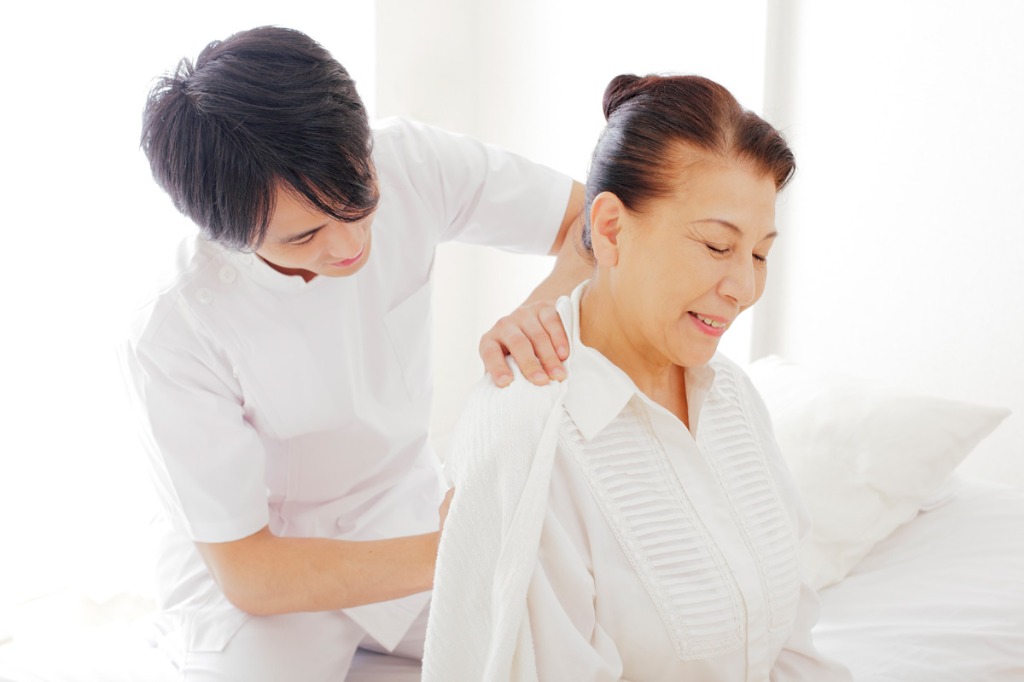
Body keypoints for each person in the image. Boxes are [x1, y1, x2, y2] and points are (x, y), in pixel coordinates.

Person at [121, 25, 589, 680]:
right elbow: (250, 571)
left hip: (402, 511)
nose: (348, 246)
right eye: (304, 236)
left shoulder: (408, 160)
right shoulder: (174, 329)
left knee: (565, 649)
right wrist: (454, 547)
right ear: (227, 234)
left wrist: (540, 308)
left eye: (359, 200)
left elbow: (591, 222)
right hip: (269, 578)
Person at [423, 74, 853, 681]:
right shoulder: (531, 437)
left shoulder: (731, 396)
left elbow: (791, 645)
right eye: (716, 245)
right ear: (610, 229)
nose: (744, 287)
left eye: (760, 254)